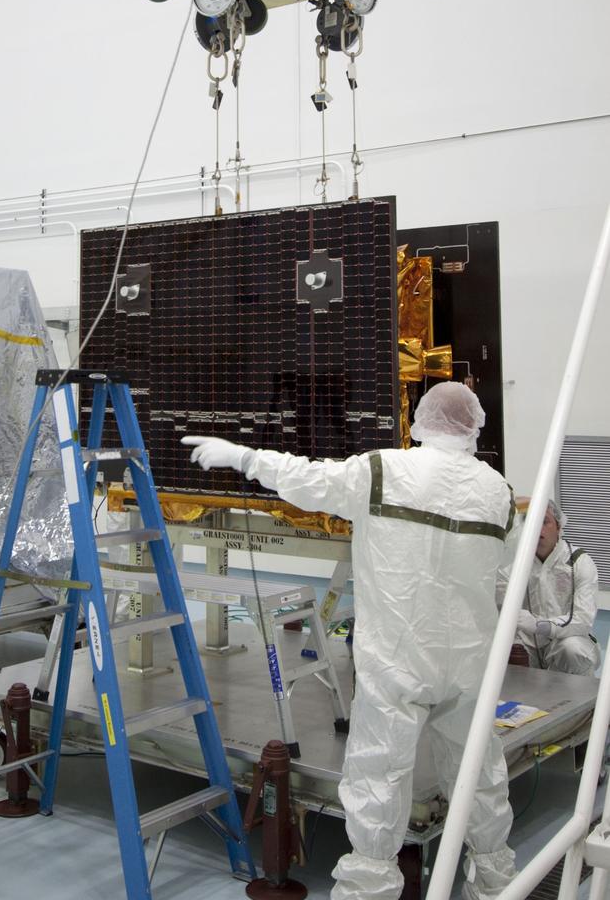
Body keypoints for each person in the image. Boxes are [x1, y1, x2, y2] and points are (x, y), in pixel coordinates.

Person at [183, 381, 517, 900]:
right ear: (474, 425)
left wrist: (244, 456)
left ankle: (371, 886)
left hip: (398, 659)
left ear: (420, 421)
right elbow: (503, 576)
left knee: (379, 774)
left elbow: (307, 478)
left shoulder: (384, 471)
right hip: (471, 663)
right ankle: (496, 881)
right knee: (479, 772)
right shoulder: (498, 491)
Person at [504, 499, 600, 675]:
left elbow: (582, 619)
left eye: (545, 521)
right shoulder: (514, 564)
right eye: (531, 522)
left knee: (572, 649)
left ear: (558, 526)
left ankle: (583, 699)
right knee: (507, 651)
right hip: (528, 644)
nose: (538, 529)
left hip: (567, 641)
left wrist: (541, 625)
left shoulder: (578, 561)